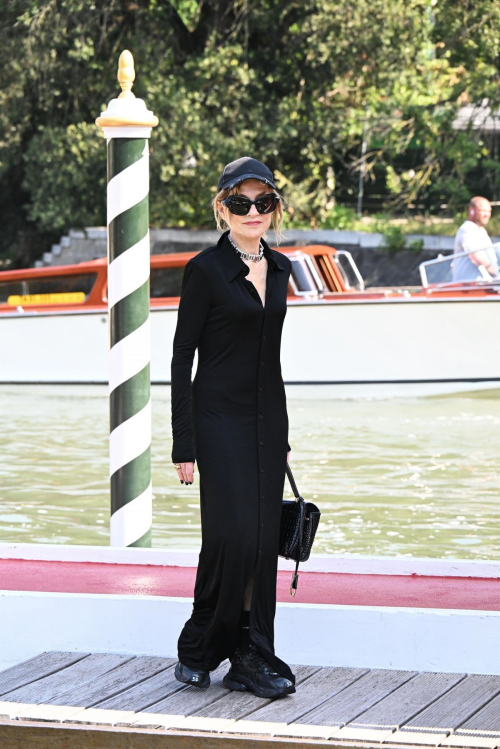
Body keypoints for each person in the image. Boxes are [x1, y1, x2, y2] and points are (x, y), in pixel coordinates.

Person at [170, 156, 295, 699]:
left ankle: (249, 653)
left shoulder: (284, 268)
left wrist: (283, 436)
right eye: (241, 203)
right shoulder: (205, 270)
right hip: (217, 419)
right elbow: (181, 359)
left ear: (275, 208)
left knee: (264, 540)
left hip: (268, 420)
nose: (253, 212)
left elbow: (273, 358)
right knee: (232, 536)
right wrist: (184, 441)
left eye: (263, 202)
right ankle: (198, 647)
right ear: (223, 207)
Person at [452, 196, 499, 282]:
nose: (487, 215)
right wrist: (497, 273)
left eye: (489, 211)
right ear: (471, 210)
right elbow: (476, 256)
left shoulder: (481, 230)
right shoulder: (467, 229)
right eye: (483, 211)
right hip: (468, 287)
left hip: (484, 285)